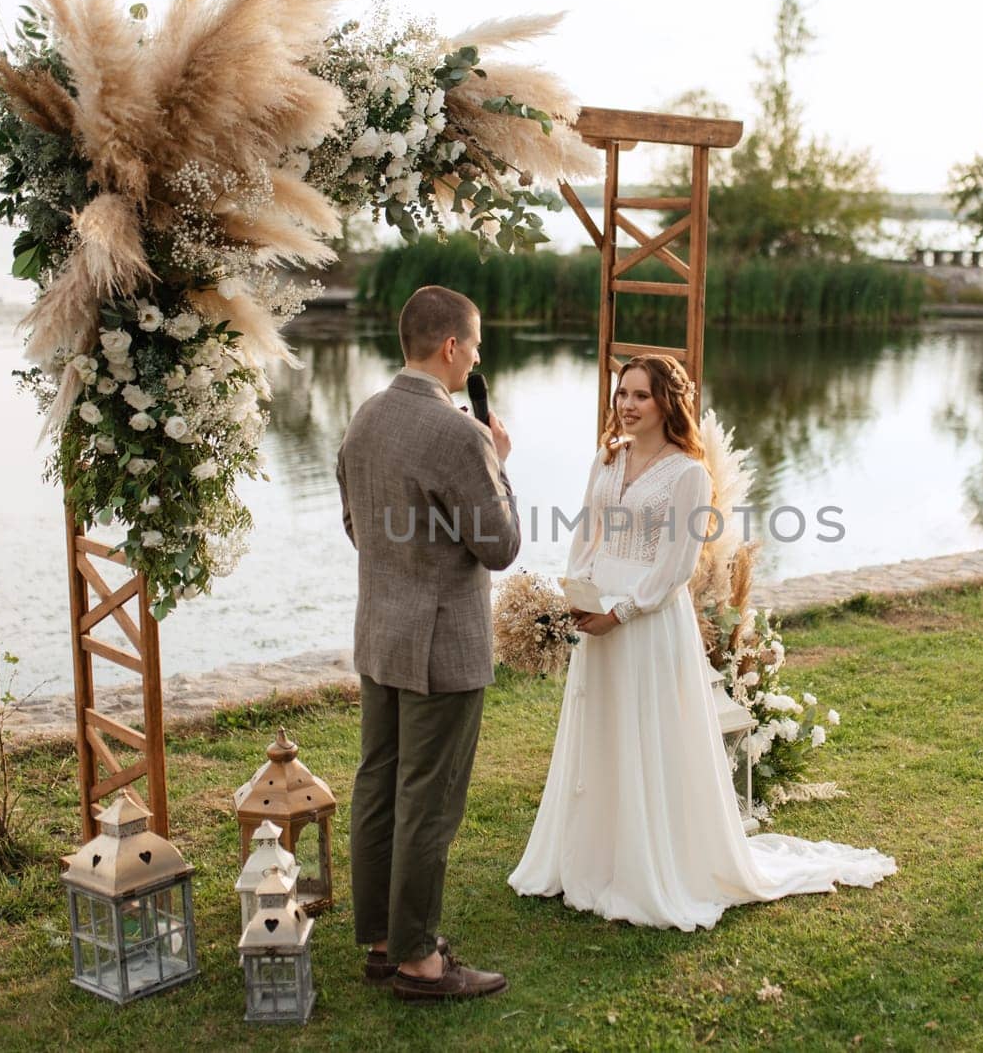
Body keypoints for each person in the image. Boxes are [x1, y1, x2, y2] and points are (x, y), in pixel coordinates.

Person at [508, 354, 896, 930]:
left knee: (646, 732)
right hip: (598, 614)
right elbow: (585, 533)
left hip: (646, 617)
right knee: (602, 729)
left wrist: (622, 609)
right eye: (622, 394)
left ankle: (647, 867)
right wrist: (577, 596)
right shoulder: (607, 458)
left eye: (640, 395)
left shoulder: (688, 473)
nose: (628, 405)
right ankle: (587, 858)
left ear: (667, 402)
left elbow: (677, 566)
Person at [336, 285, 521, 1002]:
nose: (476, 357)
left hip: (381, 636)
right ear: (450, 348)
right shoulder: (460, 435)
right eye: (474, 346)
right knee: (429, 800)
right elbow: (500, 545)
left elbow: (357, 525)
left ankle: (384, 940)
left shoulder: (366, 417)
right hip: (442, 646)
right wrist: (499, 459)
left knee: (378, 784)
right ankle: (419, 961)